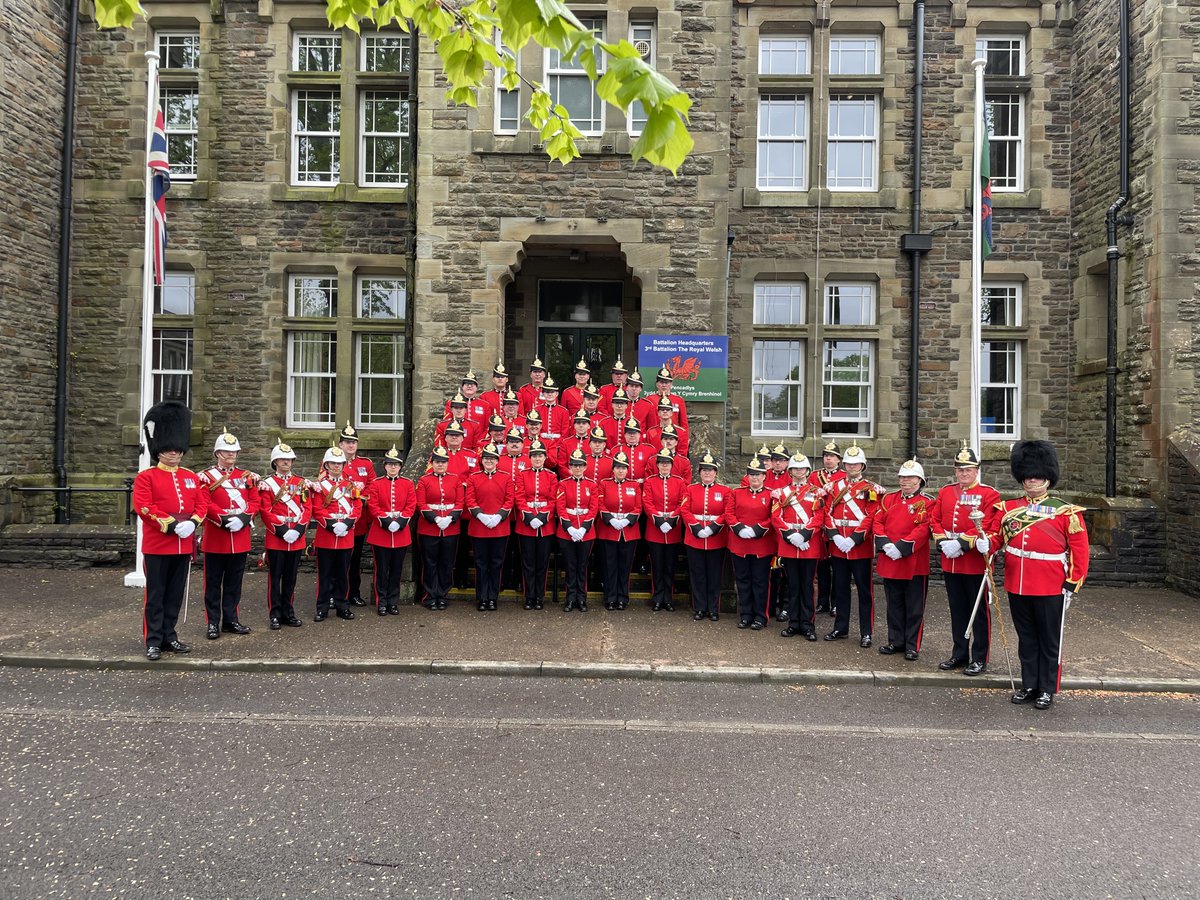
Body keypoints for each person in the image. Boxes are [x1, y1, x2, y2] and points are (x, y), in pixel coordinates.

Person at [991, 440, 1089, 710]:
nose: (1031, 481)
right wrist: (986, 543)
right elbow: (998, 539)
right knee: (1027, 638)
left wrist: (1073, 581)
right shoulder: (1008, 509)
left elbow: (1079, 550)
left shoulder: (1065, 511)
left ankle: (1047, 688)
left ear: (1047, 478)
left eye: (1036, 476)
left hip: (1050, 584)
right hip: (1017, 582)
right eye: (1027, 476)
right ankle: (1029, 684)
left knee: (1049, 639)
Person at [133, 400, 206, 660]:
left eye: (177, 449)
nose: (173, 453)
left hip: (183, 544)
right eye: (168, 449)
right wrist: (173, 524)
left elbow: (202, 503)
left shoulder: (190, 476)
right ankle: (153, 640)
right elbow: (144, 507)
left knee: (175, 595)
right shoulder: (146, 477)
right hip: (158, 544)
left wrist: (194, 522)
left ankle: (169, 636)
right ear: (158, 450)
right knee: (155, 595)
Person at [930, 442, 1001, 675]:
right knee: (958, 610)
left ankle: (979, 657)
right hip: (951, 561)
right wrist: (943, 543)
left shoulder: (989, 494)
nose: (963, 473)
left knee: (978, 612)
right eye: (960, 469)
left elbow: (989, 525)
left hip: (973, 562)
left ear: (976, 470)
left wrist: (961, 543)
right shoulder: (946, 491)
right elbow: (935, 520)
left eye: (968, 469)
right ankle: (959, 653)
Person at [198, 428, 260, 640]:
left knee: (235, 582)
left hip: (240, 535)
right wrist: (223, 519)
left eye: (234, 452)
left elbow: (255, 500)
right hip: (217, 535)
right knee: (213, 583)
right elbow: (204, 503)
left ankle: (231, 619)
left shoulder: (246, 476)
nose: (231, 455)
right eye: (226, 452)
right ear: (218, 454)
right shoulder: (206, 477)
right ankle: (213, 622)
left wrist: (244, 518)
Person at [874, 459, 932, 660]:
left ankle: (911, 645)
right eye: (902, 477)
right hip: (890, 557)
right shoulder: (888, 499)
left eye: (910, 477)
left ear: (920, 480)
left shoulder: (927, 503)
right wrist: (886, 544)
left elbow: (923, 530)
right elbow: (877, 522)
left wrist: (902, 547)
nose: (905, 481)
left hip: (913, 561)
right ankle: (895, 641)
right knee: (894, 604)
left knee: (914, 607)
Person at [823, 441, 880, 647]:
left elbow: (871, 516)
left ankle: (866, 632)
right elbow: (827, 513)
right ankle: (840, 627)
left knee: (865, 592)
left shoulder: (870, 489)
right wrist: (836, 536)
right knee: (840, 589)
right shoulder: (834, 487)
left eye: (855, 464)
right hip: (838, 546)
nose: (851, 467)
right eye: (848, 464)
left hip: (860, 547)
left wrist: (854, 539)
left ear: (862, 466)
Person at [257, 442, 310, 630]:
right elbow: (265, 510)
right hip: (277, 537)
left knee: (291, 578)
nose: (286, 462)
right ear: (275, 462)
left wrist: (297, 529)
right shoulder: (267, 484)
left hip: (295, 537)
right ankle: (275, 614)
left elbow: (307, 508)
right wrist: (281, 530)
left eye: (289, 459)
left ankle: (288, 612)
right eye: (283, 459)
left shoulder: (300, 482)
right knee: (275, 577)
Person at [773, 453, 824, 640]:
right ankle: (793, 623)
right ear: (790, 471)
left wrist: (803, 536)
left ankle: (808, 624)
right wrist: (790, 536)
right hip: (789, 544)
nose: (798, 472)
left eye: (802, 469)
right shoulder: (781, 493)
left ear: (807, 471)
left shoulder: (818, 492)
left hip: (808, 544)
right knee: (792, 586)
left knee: (807, 586)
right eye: (795, 469)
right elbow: (776, 516)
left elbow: (819, 517)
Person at [309, 446, 363, 622]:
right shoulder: (319, 486)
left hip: (346, 536)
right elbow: (316, 509)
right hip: (327, 535)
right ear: (326, 465)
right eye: (333, 463)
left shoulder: (350, 485)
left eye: (340, 463)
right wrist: (332, 525)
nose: (337, 466)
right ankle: (322, 607)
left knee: (343, 574)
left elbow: (357, 507)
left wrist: (347, 523)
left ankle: (342, 606)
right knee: (324, 574)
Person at [724, 456, 775, 629]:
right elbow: (729, 513)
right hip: (740, 544)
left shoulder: (770, 495)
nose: (754, 477)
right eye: (751, 474)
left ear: (764, 476)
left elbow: (773, 517)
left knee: (760, 582)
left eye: (758, 474)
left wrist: (757, 529)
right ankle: (746, 615)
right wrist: (739, 528)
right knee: (743, 581)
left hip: (761, 545)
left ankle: (761, 616)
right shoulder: (736, 492)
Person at [365, 445, 416, 616]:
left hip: (400, 533)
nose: (393, 467)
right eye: (389, 464)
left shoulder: (408, 484)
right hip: (381, 532)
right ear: (385, 466)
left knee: (396, 570)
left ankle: (393, 601)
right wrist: (386, 521)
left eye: (396, 464)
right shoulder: (376, 483)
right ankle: (382, 601)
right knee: (381, 570)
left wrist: (400, 522)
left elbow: (411, 505)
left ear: (400, 466)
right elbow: (373, 506)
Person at [465, 442, 515, 611]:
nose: (489, 461)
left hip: (499, 527)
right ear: (482, 460)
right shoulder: (474, 477)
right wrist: (480, 515)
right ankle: (481, 597)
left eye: (492, 458)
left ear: (497, 460)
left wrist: (498, 516)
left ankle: (492, 597)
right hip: (479, 527)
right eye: (486, 458)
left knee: (496, 563)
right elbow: (470, 499)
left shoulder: (506, 477)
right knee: (480, 564)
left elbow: (510, 500)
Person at [680, 451, 729, 622]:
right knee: (697, 574)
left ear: (716, 473)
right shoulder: (690, 489)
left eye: (710, 470)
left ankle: (713, 608)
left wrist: (713, 528)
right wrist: (696, 526)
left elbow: (727, 512)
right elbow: (684, 509)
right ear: (699, 473)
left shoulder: (725, 491)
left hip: (716, 538)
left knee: (715, 575)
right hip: (695, 537)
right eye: (704, 470)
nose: (707, 473)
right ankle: (700, 607)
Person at [415, 446, 465, 610]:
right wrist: (435, 517)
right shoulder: (424, 480)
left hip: (450, 527)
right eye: (437, 462)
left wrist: (450, 518)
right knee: (429, 562)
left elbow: (460, 502)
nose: (440, 465)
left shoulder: (455, 479)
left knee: (446, 562)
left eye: (443, 462)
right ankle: (429, 595)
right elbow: (421, 503)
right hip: (429, 527)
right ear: (432, 463)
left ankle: (442, 594)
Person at [596, 451, 642, 610]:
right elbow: (600, 504)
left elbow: (638, 507)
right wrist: (611, 520)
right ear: (613, 469)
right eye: (618, 467)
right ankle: (610, 597)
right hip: (609, 529)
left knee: (625, 566)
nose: (621, 471)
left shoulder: (634, 485)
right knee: (610, 566)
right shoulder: (604, 484)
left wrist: (626, 521)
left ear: (628, 469)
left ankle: (622, 597)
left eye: (623, 468)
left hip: (628, 531)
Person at [514, 440, 557, 609]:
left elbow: (553, 499)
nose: (537, 459)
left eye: (540, 455)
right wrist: (530, 517)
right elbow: (520, 497)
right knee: (528, 562)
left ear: (545, 457)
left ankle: (539, 596)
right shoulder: (522, 475)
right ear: (529, 458)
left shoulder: (551, 476)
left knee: (542, 563)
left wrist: (542, 516)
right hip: (526, 524)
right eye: (534, 456)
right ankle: (529, 596)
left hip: (545, 525)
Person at [337, 422, 376, 608]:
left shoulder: (365, 464)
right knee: (337, 560)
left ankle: (353, 593)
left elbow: (372, 485)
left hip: (358, 520)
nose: (351, 445)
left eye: (353, 442)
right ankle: (335, 594)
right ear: (340, 445)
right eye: (346, 442)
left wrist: (360, 498)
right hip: (338, 518)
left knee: (355, 559)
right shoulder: (332, 462)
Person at [555, 449, 599, 612]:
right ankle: (570, 597)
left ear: (585, 466)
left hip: (586, 531)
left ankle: (581, 598)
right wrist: (570, 528)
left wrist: (583, 528)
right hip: (567, 531)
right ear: (570, 467)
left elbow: (594, 508)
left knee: (582, 566)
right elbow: (560, 507)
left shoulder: (592, 484)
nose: (577, 468)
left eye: (580, 465)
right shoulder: (563, 484)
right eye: (574, 465)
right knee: (570, 565)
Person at [642, 447, 686, 611]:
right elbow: (647, 503)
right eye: (662, 463)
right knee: (657, 566)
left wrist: (672, 519)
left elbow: (683, 502)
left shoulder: (679, 482)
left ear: (671, 465)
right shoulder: (650, 481)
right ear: (657, 465)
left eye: (667, 463)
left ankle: (668, 598)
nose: (664, 466)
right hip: (655, 529)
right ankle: (658, 597)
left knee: (670, 566)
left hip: (673, 529)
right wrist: (659, 520)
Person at [808, 441, 846, 615]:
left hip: (837, 528)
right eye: (825, 456)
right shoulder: (815, 476)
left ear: (839, 459)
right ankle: (823, 602)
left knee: (838, 569)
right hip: (820, 528)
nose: (828, 459)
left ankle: (837, 602)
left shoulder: (844, 477)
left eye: (831, 456)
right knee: (822, 568)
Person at [651, 364, 689, 430]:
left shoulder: (678, 400)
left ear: (671, 384)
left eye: (666, 382)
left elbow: (683, 423)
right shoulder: (650, 399)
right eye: (661, 382)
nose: (664, 385)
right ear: (657, 384)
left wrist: (684, 438)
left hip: (673, 436)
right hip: (655, 435)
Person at [535, 376, 571, 442]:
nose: (550, 394)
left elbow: (565, 433)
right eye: (547, 392)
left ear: (557, 394)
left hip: (558, 445)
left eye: (552, 392)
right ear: (543, 394)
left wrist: (557, 445)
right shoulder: (537, 410)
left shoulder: (564, 411)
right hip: (541, 444)